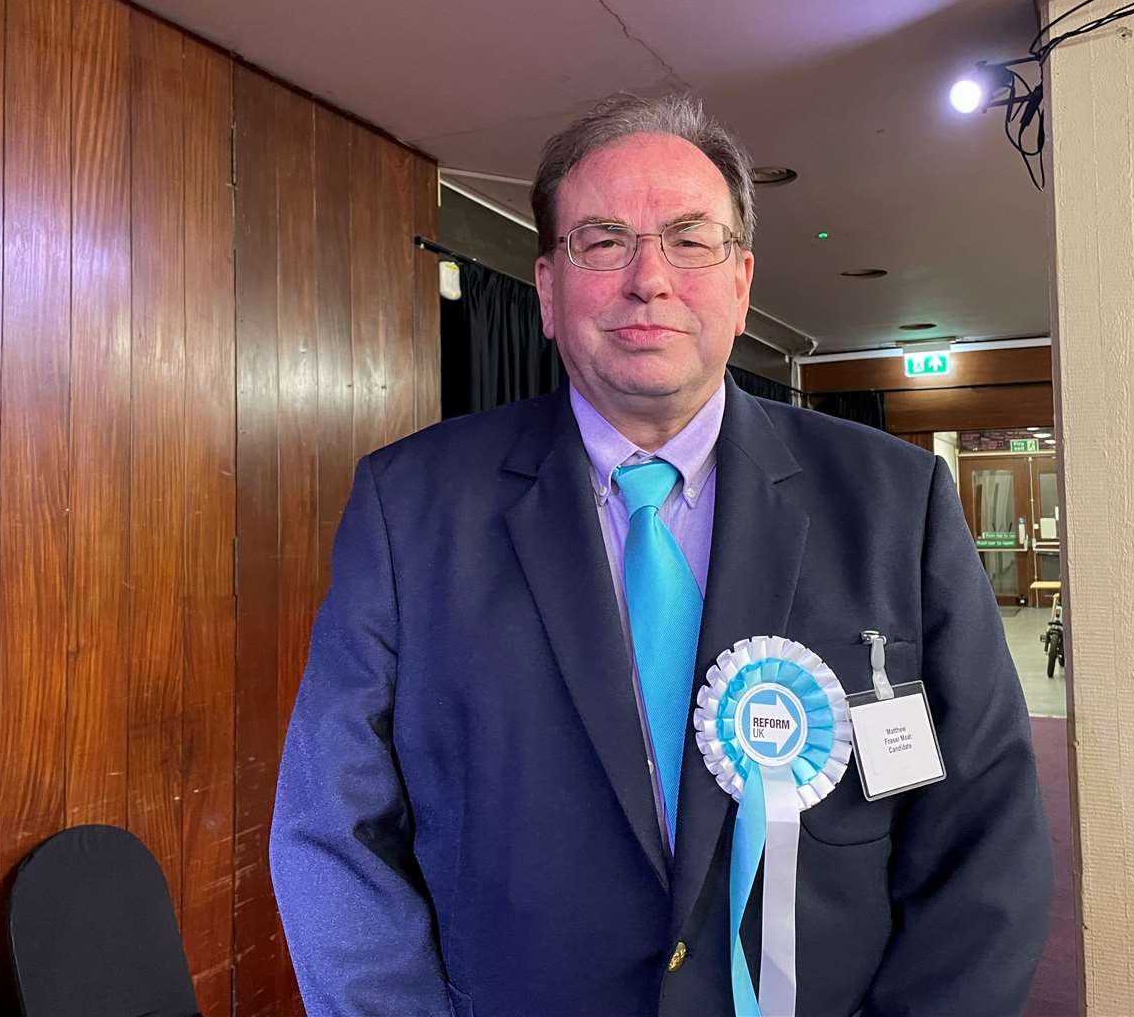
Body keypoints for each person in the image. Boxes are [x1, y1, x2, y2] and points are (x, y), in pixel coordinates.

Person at [271, 94, 1052, 1017]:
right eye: (602, 241)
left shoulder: (895, 502)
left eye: (691, 239)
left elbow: (984, 835)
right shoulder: (410, 508)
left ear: (742, 282)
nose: (650, 278)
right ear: (549, 291)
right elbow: (334, 831)